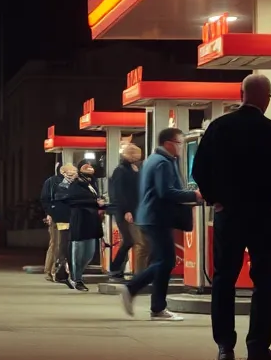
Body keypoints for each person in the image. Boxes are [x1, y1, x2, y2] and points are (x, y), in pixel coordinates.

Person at [192, 73, 271, 360]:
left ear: (242, 95)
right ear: (265, 98)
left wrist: (216, 199)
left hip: (229, 215)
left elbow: (199, 169)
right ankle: (257, 348)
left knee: (224, 279)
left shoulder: (219, 127)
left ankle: (225, 346)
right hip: (265, 216)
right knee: (264, 282)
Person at [118, 127, 196, 321]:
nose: (181, 147)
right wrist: (194, 195)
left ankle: (157, 307)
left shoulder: (154, 159)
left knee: (162, 261)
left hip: (151, 217)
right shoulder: (162, 162)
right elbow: (166, 191)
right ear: (168, 143)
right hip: (157, 217)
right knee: (165, 261)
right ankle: (134, 289)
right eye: (179, 143)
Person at [107, 143, 148, 282]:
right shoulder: (120, 170)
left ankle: (116, 268)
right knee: (135, 241)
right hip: (125, 211)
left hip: (135, 210)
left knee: (129, 241)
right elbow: (119, 192)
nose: (139, 156)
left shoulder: (136, 169)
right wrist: (126, 210)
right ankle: (120, 269)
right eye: (136, 153)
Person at [61, 160, 105, 292]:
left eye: (91, 165)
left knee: (89, 253)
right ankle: (76, 279)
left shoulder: (92, 183)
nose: (89, 167)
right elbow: (71, 199)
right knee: (79, 252)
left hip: (92, 221)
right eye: (86, 165)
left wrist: (101, 203)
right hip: (80, 220)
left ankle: (74, 275)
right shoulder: (76, 183)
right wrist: (94, 202)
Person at [39, 166, 67, 281]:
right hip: (56, 217)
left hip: (67, 217)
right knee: (56, 243)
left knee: (62, 244)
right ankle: (51, 270)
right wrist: (49, 213)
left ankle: (57, 270)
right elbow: (45, 198)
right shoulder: (52, 181)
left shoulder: (72, 182)